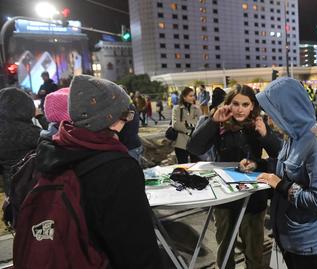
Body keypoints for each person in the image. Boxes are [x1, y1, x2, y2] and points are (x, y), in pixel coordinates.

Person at [34, 75, 164, 267]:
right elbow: (137, 245)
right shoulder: (118, 168)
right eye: (126, 115)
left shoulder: (52, 152)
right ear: (108, 119)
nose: (128, 121)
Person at [187, 84, 281, 269]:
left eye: (245, 104)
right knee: (225, 249)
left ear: (252, 106)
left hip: (253, 198)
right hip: (225, 198)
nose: (240, 109)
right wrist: (212, 122)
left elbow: (280, 156)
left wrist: (265, 136)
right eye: (236, 103)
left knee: (254, 251)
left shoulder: (258, 124)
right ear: (228, 104)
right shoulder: (220, 122)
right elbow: (194, 148)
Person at [255, 77, 317, 269]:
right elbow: (288, 170)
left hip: (311, 246)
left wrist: (281, 185)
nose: (270, 119)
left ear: (288, 110)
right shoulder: (293, 135)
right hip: (292, 239)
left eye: (273, 112)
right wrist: (260, 165)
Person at [0, 87, 43, 195]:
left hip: (11, 191)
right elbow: (54, 139)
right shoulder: (33, 133)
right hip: (36, 188)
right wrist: (40, 117)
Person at [172, 87, 202, 164]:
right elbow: (176, 125)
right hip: (181, 143)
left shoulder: (197, 108)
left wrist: (186, 123)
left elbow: (200, 123)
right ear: (184, 97)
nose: (193, 97)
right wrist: (191, 126)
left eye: (193, 95)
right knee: (182, 167)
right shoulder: (176, 108)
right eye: (190, 96)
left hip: (194, 142)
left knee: (196, 166)